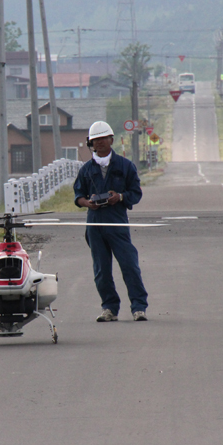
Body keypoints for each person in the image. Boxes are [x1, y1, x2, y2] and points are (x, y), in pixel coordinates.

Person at [73, 121, 148, 322]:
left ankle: (138, 307)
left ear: (111, 140)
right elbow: (78, 195)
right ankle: (109, 308)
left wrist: (120, 197)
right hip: (95, 224)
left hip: (117, 222)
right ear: (91, 144)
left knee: (129, 265)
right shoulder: (86, 169)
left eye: (103, 139)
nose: (99, 144)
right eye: (95, 141)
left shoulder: (125, 165)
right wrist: (88, 203)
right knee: (101, 270)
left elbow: (136, 192)